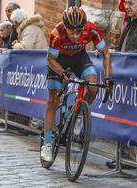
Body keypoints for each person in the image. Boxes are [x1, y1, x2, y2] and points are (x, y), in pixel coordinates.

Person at [40, 6, 112, 162]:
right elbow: (50, 59)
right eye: (71, 31)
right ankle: (47, 143)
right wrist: (63, 73)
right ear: (65, 27)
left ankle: (78, 116)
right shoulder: (56, 32)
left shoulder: (91, 29)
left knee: (93, 88)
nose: (75, 35)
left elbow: (106, 53)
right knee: (53, 100)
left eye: (78, 31)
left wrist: (107, 78)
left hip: (79, 57)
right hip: (58, 60)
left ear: (83, 27)